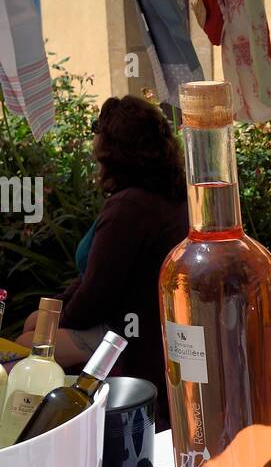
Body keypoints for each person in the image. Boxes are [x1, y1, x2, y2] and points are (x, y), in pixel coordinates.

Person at [19, 95, 188, 429]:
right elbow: (95, 279)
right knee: (34, 320)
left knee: (25, 351)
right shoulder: (165, 195)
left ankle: (38, 436)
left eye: (97, 132)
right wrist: (54, 310)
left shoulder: (129, 209)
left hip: (124, 330)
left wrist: (60, 317)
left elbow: (97, 296)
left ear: (113, 147)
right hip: (140, 319)